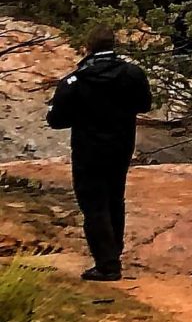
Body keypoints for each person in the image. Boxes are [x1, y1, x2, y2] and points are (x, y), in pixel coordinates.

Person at [45, 22, 153, 281]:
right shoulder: (132, 73)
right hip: (121, 145)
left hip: (88, 149)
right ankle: (113, 252)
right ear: (113, 46)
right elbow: (145, 104)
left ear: (88, 47)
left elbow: (56, 120)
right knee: (115, 198)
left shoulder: (75, 80)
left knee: (94, 204)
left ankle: (107, 265)